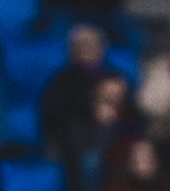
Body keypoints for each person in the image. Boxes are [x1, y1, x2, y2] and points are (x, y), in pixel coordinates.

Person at [42, 25, 118, 160]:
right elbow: (53, 113)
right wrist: (93, 106)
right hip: (73, 144)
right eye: (79, 45)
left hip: (112, 141)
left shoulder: (114, 76)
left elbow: (128, 110)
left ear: (101, 47)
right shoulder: (62, 80)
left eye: (89, 44)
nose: (84, 49)